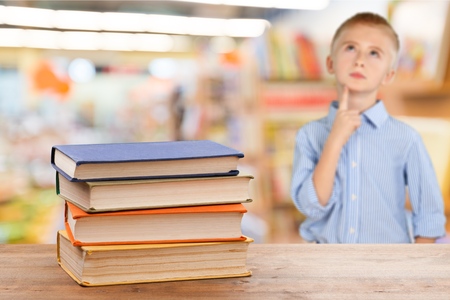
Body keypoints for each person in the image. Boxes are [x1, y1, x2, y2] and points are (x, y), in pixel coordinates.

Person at [290, 12, 446, 243]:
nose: (360, 60)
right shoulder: (310, 135)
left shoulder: (406, 138)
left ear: (388, 75)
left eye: (374, 53)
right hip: (324, 265)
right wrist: (335, 139)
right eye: (350, 48)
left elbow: (429, 216)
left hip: (388, 268)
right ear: (330, 63)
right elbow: (312, 207)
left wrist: (413, 272)